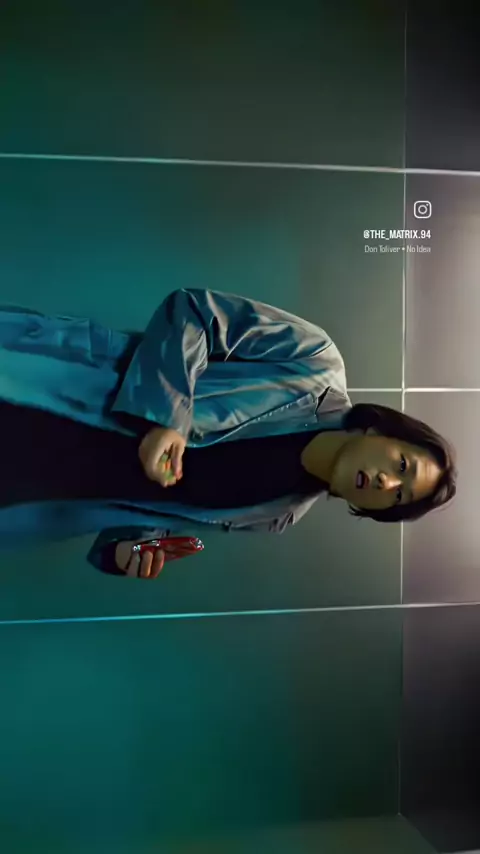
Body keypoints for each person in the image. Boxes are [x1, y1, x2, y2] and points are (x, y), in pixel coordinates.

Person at [0, 288, 457, 580]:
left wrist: (126, 551)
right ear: (381, 431)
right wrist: (168, 419)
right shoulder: (314, 362)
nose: (386, 483)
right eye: (402, 465)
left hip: (30, 494)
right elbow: (194, 311)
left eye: (397, 497)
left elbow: (157, 505)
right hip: (44, 389)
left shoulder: (277, 514)